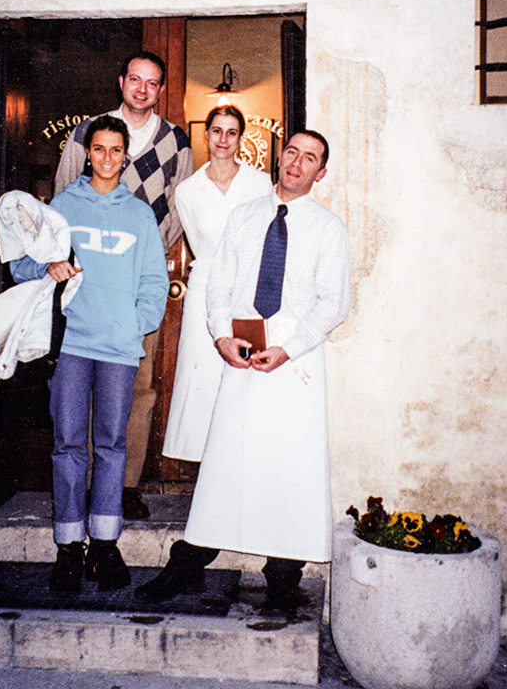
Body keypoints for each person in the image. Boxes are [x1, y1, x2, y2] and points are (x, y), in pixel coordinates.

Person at [137, 130, 351, 613]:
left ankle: (282, 580)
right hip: (242, 352)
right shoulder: (245, 216)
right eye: (291, 152)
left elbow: (335, 302)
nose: (296, 163)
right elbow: (218, 285)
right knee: (227, 460)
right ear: (281, 159)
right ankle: (189, 564)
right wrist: (220, 336)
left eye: (309, 158)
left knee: (289, 466)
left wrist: (290, 348)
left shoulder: (327, 228)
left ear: (321, 172)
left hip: (294, 364)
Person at [12, 115, 168, 592]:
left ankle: (104, 544)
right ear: (87, 154)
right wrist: (47, 264)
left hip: (119, 350)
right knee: (68, 444)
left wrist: (133, 326)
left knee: (112, 445)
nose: (106, 158)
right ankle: (68, 548)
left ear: (126, 156)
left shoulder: (140, 215)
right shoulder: (63, 206)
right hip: (73, 346)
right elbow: (21, 265)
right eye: (98, 149)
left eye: (115, 150)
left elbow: (154, 282)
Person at [54, 52, 193, 519]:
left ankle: (124, 485)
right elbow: (58, 204)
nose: (141, 89)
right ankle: (87, 485)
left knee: (135, 388)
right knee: (78, 394)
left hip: (136, 282)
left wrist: (147, 256)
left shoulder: (175, 140)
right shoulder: (89, 131)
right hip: (84, 287)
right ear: (121, 82)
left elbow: (181, 206)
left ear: (160, 90)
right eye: (134, 79)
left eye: (151, 83)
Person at [162, 106, 272, 462]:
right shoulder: (189, 191)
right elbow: (199, 246)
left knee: (244, 371)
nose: (223, 139)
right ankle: (201, 464)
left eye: (232, 132)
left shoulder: (259, 183)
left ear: (241, 138)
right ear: (206, 135)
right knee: (202, 375)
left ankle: (242, 459)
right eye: (217, 131)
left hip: (249, 286)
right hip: (206, 287)